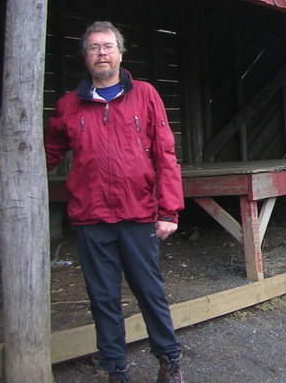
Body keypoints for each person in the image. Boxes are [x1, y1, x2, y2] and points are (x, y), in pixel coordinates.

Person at [43, 21, 185, 383]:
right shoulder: (69, 105)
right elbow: (43, 154)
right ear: (86, 57)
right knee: (102, 298)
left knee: (150, 292)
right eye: (94, 48)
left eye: (108, 46)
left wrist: (169, 210)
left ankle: (169, 361)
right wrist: (3, 165)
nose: (102, 53)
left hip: (138, 214)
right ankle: (115, 370)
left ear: (120, 53)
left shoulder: (146, 95)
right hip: (90, 218)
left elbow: (165, 154)